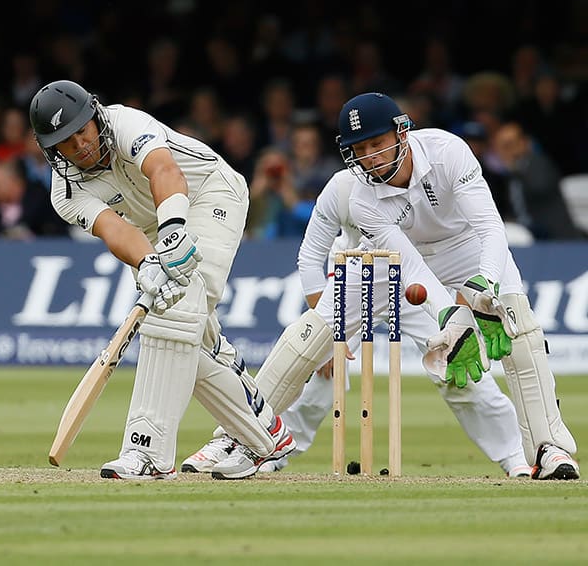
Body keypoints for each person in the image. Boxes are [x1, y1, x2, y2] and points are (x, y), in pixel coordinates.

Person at [183, 168, 532, 478]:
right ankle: (244, 440)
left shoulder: (423, 180)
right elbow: (310, 257)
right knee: (310, 368)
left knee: (458, 370)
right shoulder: (342, 188)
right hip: (355, 278)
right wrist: (328, 339)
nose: (373, 162)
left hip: (417, 283)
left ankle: (516, 455)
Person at [28, 79, 296, 480]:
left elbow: (164, 170)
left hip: (208, 194)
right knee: (190, 335)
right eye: (65, 142)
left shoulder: (125, 124)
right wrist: (149, 261)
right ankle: (264, 435)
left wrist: (173, 232)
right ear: (52, 150)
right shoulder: (65, 191)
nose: (80, 145)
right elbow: (115, 231)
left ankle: (148, 451)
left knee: (174, 312)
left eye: (81, 130)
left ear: (94, 117)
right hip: (150, 230)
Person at [338, 92, 576, 479]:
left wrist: (486, 289)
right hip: (401, 255)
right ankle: (252, 436)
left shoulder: (447, 150)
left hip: (467, 246)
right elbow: (412, 267)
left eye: (377, 144)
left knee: (520, 334)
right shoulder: (361, 197)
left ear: (401, 133)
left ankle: (549, 449)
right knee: (319, 327)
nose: (370, 157)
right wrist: (450, 315)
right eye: (360, 149)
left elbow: (489, 228)